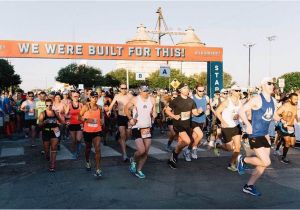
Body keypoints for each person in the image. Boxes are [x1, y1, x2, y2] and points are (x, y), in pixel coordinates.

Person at [238, 77, 280, 196]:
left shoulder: (273, 100)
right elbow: (241, 111)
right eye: (269, 83)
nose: (272, 85)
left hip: (265, 134)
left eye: (273, 84)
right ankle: (243, 160)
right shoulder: (257, 99)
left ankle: (249, 186)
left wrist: (281, 118)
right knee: (266, 162)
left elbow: (273, 115)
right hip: (255, 134)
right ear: (262, 85)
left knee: (261, 165)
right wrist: (247, 124)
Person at [165, 83, 204, 169]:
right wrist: (174, 116)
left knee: (184, 142)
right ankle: (174, 154)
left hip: (187, 124)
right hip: (178, 124)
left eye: (187, 88)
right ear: (180, 90)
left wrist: (199, 112)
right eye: (184, 88)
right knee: (187, 141)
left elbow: (194, 113)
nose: (187, 89)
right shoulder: (176, 100)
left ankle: (174, 155)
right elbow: (167, 110)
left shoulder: (191, 101)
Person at [125, 85, 156, 178]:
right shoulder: (135, 99)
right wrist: (130, 118)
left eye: (147, 90)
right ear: (140, 91)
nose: (146, 92)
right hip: (137, 127)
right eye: (144, 91)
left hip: (147, 128)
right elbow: (126, 108)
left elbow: (154, 111)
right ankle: (133, 159)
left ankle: (139, 170)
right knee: (141, 150)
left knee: (146, 152)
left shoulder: (152, 99)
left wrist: (154, 114)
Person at [215, 85, 243, 171]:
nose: (238, 92)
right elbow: (217, 112)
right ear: (232, 91)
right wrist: (223, 122)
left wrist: (239, 115)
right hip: (227, 127)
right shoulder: (227, 102)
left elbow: (241, 112)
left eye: (239, 90)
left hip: (236, 126)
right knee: (229, 148)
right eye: (237, 90)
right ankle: (218, 146)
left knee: (238, 147)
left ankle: (231, 164)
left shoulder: (240, 102)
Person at [80, 91, 103, 177]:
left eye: (96, 97)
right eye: (93, 97)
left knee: (98, 149)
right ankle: (87, 161)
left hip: (97, 131)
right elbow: (79, 117)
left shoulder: (100, 107)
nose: (95, 99)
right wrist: (86, 120)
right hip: (87, 131)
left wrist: (102, 121)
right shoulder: (86, 107)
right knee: (88, 148)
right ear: (90, 98)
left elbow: (101, 117)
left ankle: (98, 169)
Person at [108, 84, 133, 162]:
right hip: (120, 117)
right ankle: (124, 154)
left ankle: (120, 140)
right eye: (122, 88)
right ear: (119, 89)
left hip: (128, 117)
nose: (124, 90)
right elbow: (111, 105)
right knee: (123, 135)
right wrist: (109, 110)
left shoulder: (130, 96)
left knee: (128, 134)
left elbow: (135, 104)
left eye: (125, 88)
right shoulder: (117, 96)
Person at [184, 84, 208, 161]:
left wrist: (208, 110)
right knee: (200, 135)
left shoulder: (206, 98)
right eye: (199, 91)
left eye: (203, 90)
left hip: (202, 120)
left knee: (194, 138)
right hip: (193, 120)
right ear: (196, 90)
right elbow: (187, 109)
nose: (201, 92)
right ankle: (192, 150)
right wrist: (196, 111)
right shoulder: (192, 98)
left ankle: (189, 150)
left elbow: (207, 108)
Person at [39, 99, 64, 172]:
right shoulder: (43, 113)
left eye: (50, 105)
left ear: (52, 105)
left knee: (54, 147)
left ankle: (52, 165)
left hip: (54, 132)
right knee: (46, 149)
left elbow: (61, 121)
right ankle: (47, 156)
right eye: (47, 105)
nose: (49, 107)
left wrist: (61, 124)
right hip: (46, 132)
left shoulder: (55, 112)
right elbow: (39, 125)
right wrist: (44, 122)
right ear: (45, 105)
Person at [276, 93, 298, 164]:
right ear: (290, 99)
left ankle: (282, 139)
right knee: (287, 141)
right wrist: (282, 121)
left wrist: (297, 120)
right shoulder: (285, 106)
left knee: (292, 143)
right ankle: (284, 157)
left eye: (297, 99)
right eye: (294, 99)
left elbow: (294, 115)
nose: (296, 100)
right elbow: (276, 113)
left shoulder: (295, 106)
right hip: (284, 126)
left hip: (291, 126)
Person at [66, 91, 83, 160]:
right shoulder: (69, 105)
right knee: (74, 140)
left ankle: (77, 151)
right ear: (72, 97)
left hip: (79, 124)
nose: (76, 97)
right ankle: (74, 152)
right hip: (72, 124)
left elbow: (84, 113)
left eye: (77, 96)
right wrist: (68, 118)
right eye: (74, 96)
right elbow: (66, 114)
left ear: (79, 97)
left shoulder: (81, 104)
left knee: (78, 139)